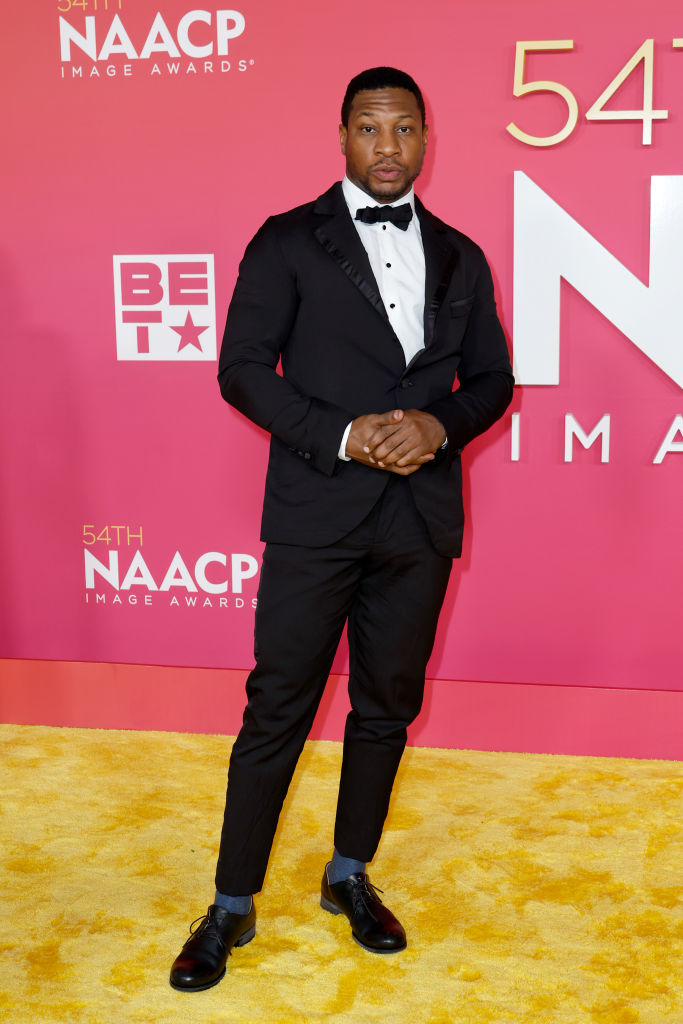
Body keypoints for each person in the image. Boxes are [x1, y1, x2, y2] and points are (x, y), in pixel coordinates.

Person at [170, 66, 513, 992]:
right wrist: (344, 434)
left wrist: (440, 424)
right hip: (317, 513)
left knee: (385, 707)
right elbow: (242, 368)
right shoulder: (287, 240)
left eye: (404, 129)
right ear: (342, 136)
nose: (387, 146)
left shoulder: (461, 255)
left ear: (426, 138)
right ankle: (230, 904)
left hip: (418, 518)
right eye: (369, 128)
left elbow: (492, 378)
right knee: (277, 706)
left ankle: (348, 874)